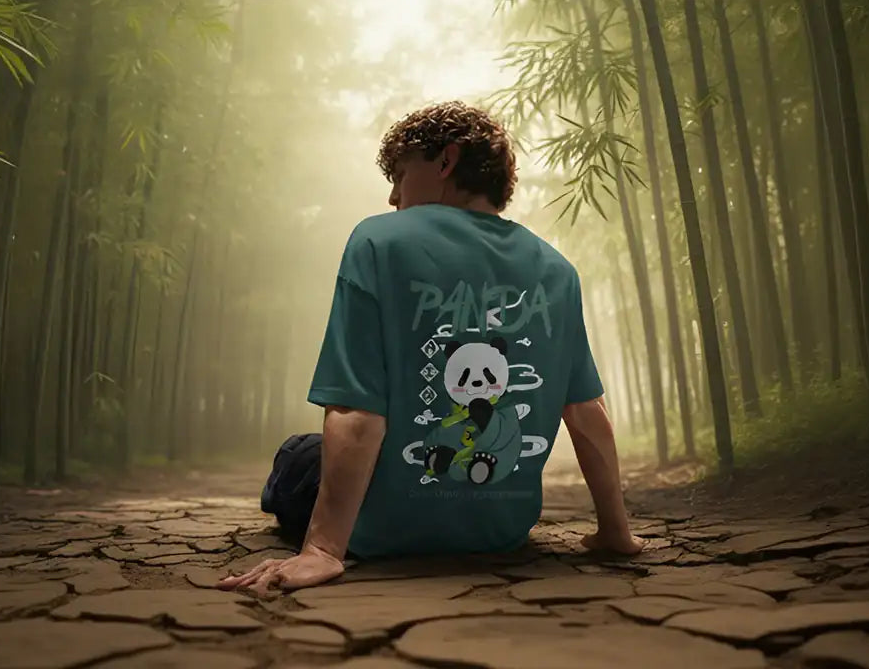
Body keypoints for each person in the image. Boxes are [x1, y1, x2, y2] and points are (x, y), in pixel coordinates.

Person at [219, 101, 645, 595]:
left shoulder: (378, 241)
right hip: (501, 532)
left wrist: (323, 550)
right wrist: (616, 531)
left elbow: (358, 410)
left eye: (401, 175)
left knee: (297, 454)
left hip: (380, 532)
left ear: (446, 161)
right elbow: (587, 413)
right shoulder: (556, 268)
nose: (394, 196)